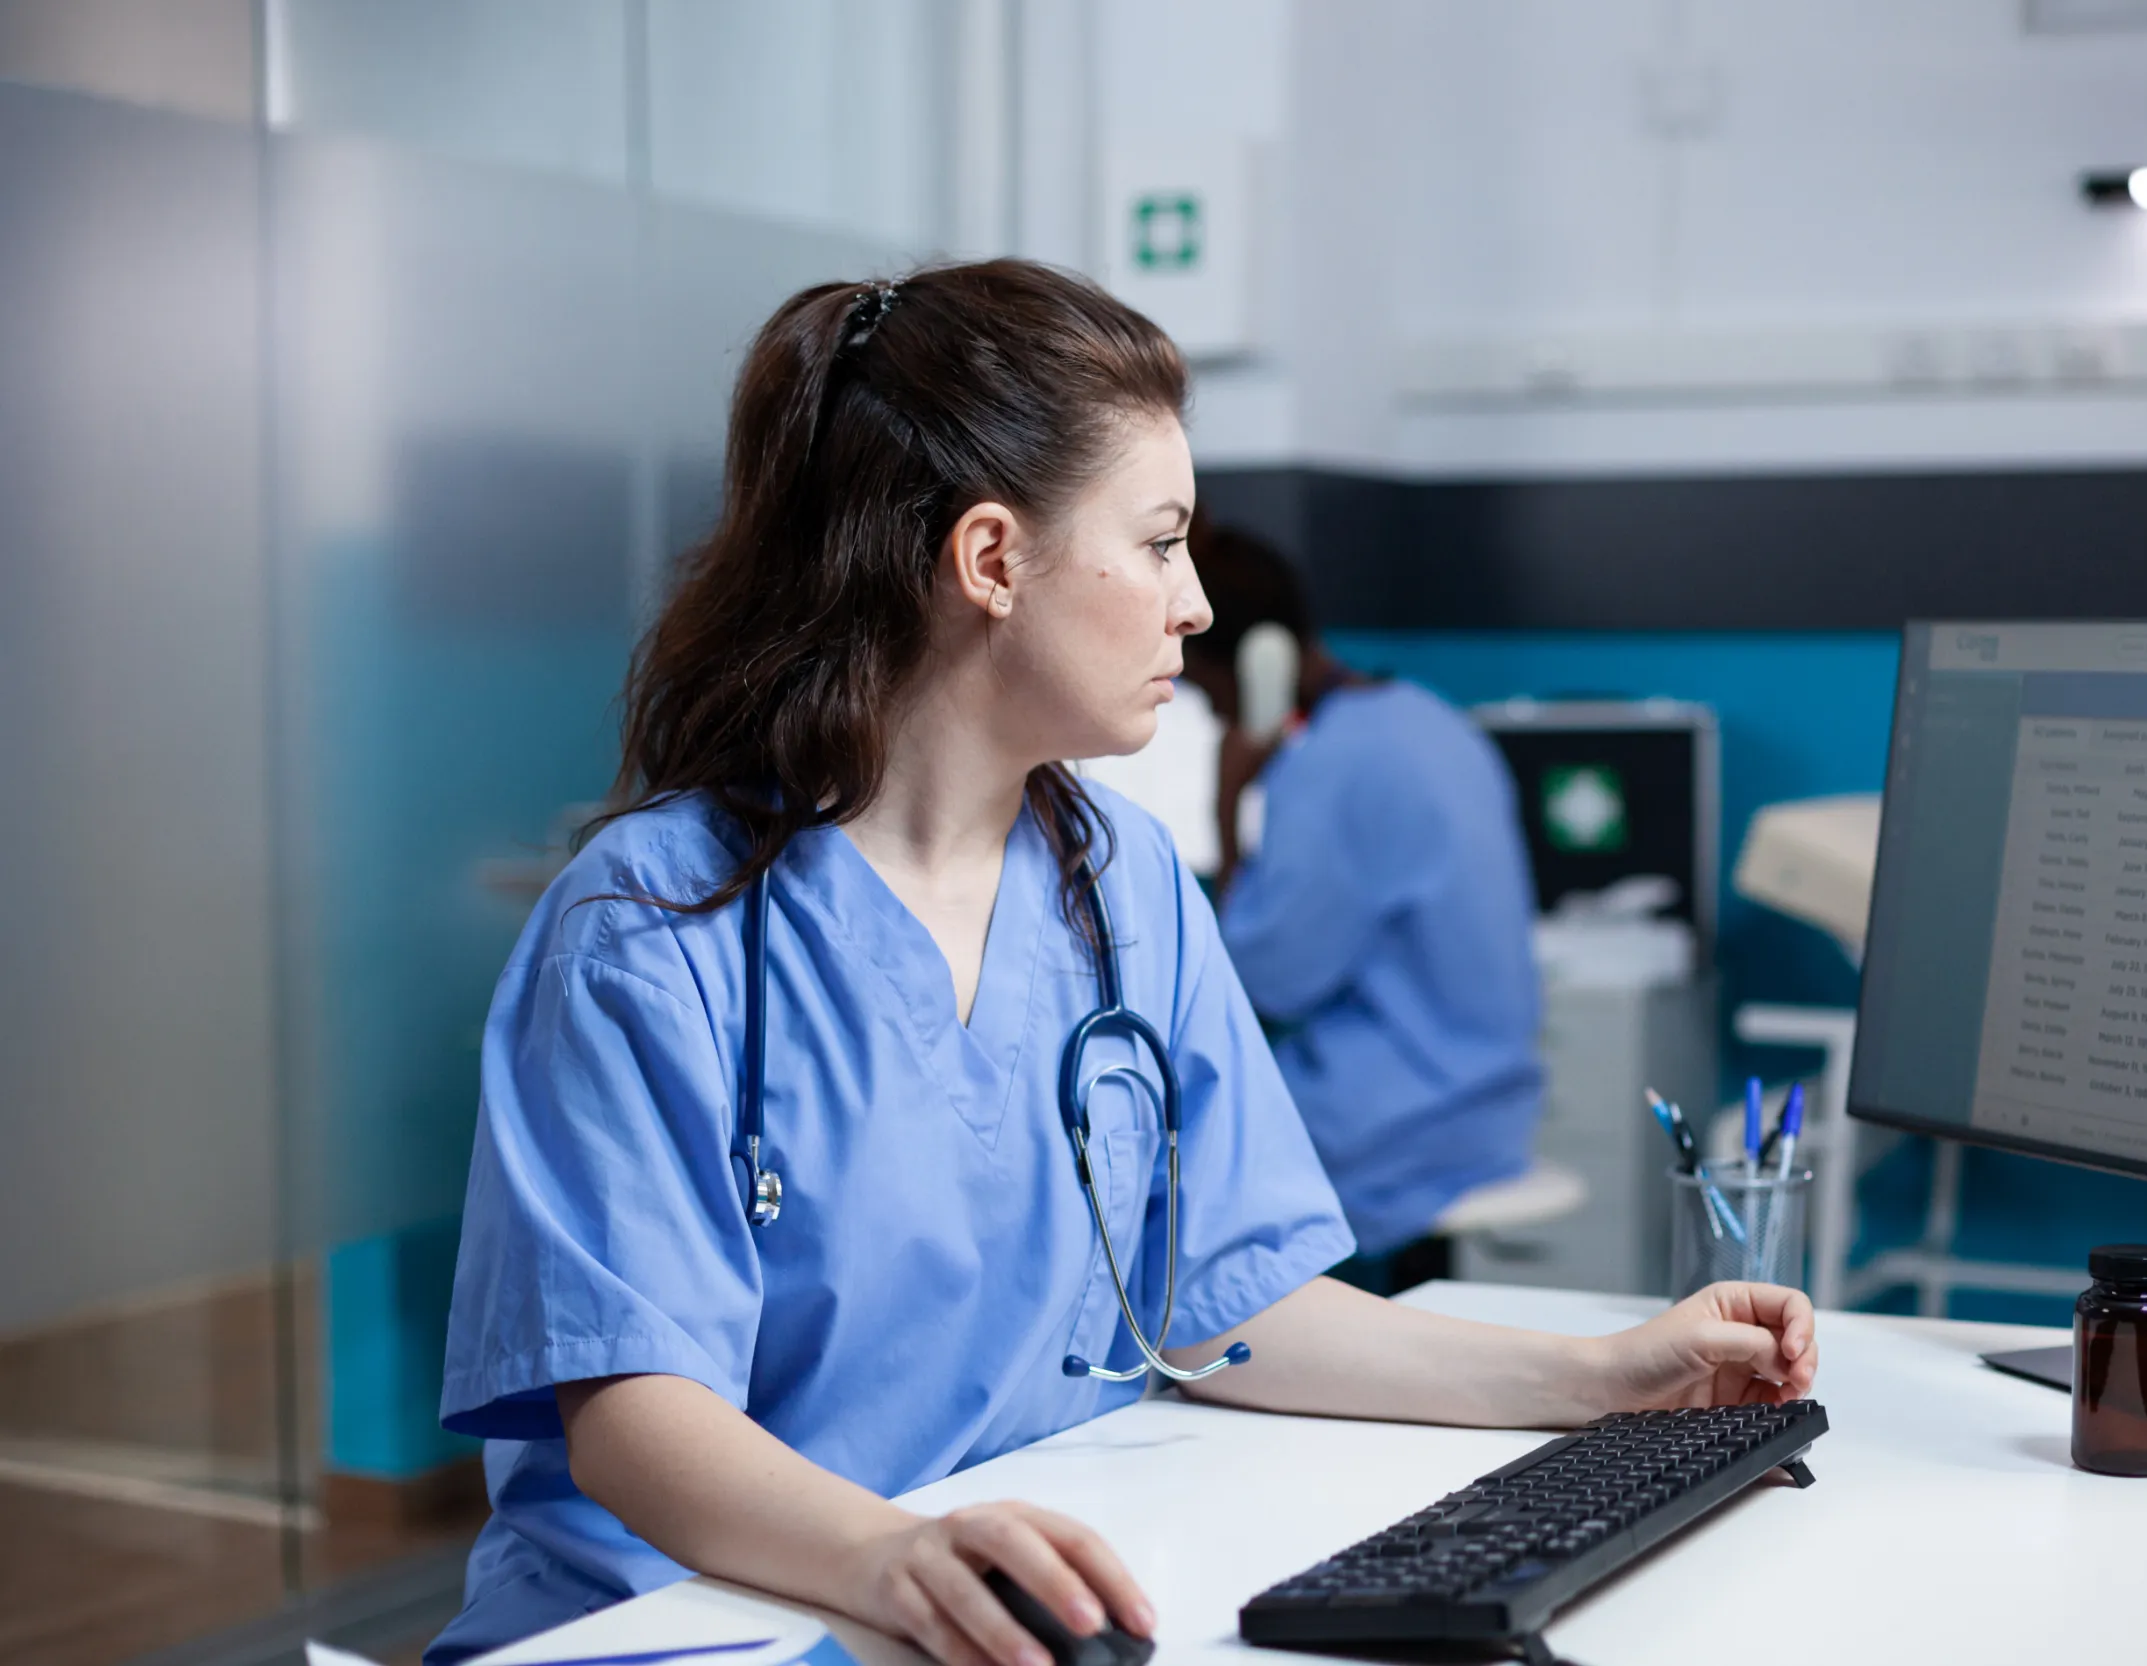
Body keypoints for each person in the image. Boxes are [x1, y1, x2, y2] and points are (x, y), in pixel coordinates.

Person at [429, 260, 1817, 1666]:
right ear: (991, 560)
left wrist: (1597, 1378)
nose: (1198, 603)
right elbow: (631, 1418)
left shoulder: (1120, 884)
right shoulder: (656, 920)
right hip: (694, 1618)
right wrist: (894, 1557)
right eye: (1160, 542)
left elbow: (1230, 1304)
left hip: (999, 1596)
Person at [1181, 519, 1543, 1289]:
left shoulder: (1334, 768)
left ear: (1255, 665)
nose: (1209, 713)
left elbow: (1267, 978)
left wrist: (1226, 808)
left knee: (1173, 1158)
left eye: (1204, 689)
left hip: (1398, 1131)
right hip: (1487, 1108)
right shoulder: (1430, 719)